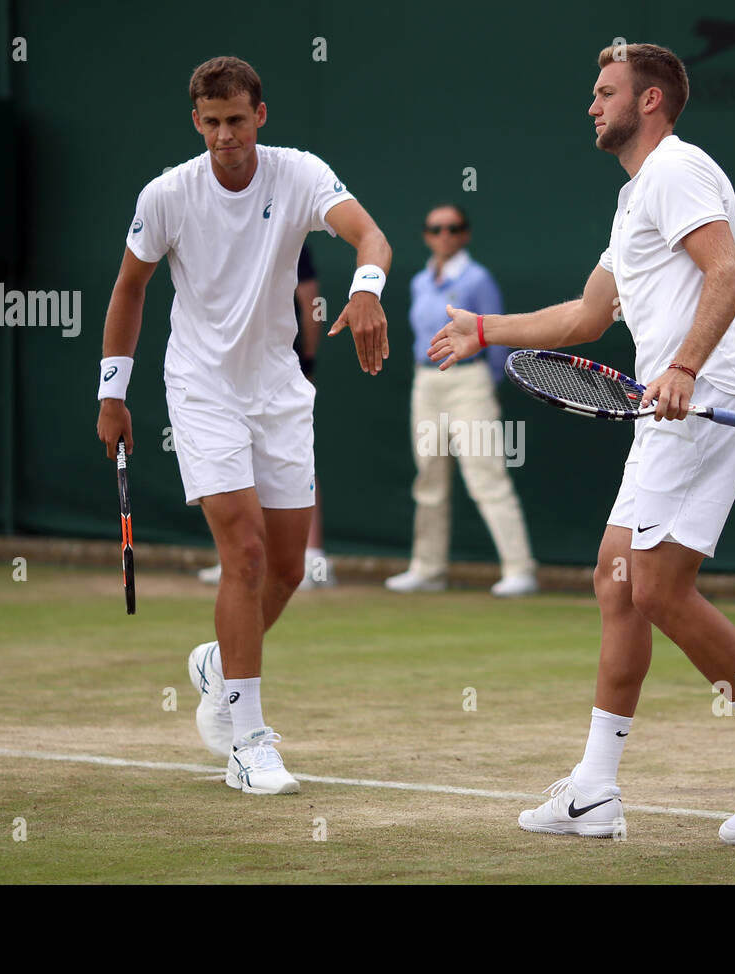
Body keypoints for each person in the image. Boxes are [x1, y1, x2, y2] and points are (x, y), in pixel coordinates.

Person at [429, 43, 735, 844]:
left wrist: (684, 365)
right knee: (618, 583)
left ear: (651, 101)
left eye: (606, 91)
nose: (592, 105)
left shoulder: (678, 170)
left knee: (653, 588)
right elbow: (587, 318)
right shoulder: (634, 200)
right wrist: (484, 329)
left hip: (704, 398)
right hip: (677, 405)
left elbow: (729, 273)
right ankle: (595, 791)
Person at [96, 56, 391, 795]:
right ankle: (247, 741)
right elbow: (130, 288)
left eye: (237, 119)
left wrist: (365, 290)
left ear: (261, 115)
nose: (225, 134)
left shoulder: (297, 174)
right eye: (211, 121)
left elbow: (371, 237)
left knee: (288, 570)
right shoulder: (167, 195)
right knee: (248, 554)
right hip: (200, 388)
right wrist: (113, 395)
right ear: (196, 122)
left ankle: (217, 666)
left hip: (280, 389)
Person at [385, 204, 537, 597]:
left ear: (465, 234)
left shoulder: (478, 279)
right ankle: (427, 568)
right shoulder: (420, 281)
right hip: (426, 383)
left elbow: (497, 333)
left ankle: (520, 569)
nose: (445, 235)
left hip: (469, 383)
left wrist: (485, 382)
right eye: (436, 229)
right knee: (429, 478)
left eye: (453, 228)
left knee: (485, 475)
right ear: (426, 235)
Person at [197, 245, 336, 589]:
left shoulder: (288, 234)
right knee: (235, 457)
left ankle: (312, 555)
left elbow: (309, 297)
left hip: (280, 364)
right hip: (227, 369)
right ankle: (238, 555)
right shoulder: (217, 238)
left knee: (295, 456)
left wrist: (308, 362)